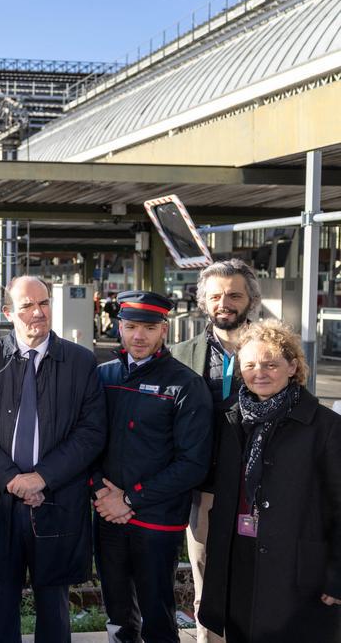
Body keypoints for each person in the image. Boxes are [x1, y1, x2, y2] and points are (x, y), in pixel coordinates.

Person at [0, 276, 107, 642]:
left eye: (43, 303)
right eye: (26, 306)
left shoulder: (80, 361)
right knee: (1, 602)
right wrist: (13, 479)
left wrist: (41, 478)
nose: (37, 313)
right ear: (8, 312)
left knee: (55, 604)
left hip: (57, 498)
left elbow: (91, 432)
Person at [198, 320, 341, 641]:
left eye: (270, 364)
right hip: (240, 558)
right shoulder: (232, 421)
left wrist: (337, 578)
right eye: (249, 364)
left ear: (292, 366)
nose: (259, 372)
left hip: (298, 569)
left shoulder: (327, 427)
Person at [92, 291, 212, 643]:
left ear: (164, 330)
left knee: (157, 614)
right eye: (131, 327)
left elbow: (193, 464)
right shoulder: (102, 376)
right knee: (116, 613)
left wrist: (128, 499)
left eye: (148, 327)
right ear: (119, 328)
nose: (138, 336)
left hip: (156, 521)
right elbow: (86, 440)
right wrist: (101, 492)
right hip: (107, 515)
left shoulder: (186, 385)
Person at [170, 259, 260, 643]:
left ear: (250, 300)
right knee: (204, 566)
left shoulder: (271, 347)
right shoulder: (181, 353)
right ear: (203, 302)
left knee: (256, 569)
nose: (225, 302)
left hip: (257, 486)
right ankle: (208, 638)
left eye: (234, 295)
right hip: (202, 486)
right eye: (216, 296)